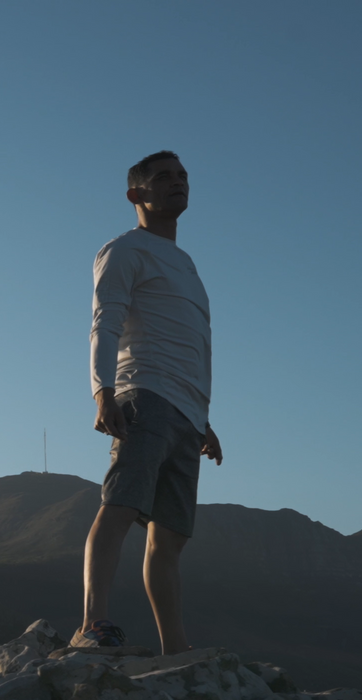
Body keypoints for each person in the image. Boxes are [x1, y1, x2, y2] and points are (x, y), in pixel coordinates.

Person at [70, 151, 222, 655]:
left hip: (186, 411)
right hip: (145, 395)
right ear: (137, 195)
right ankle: (93, 624)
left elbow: (189, 341)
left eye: (182, 176)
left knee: (170, 536)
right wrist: (102, 391)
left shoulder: (188, 265)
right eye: (163, 177)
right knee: (120, 505)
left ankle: (175, 652)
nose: (177, 183)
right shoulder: (124, 250)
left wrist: (204, 419)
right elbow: (105, 321)